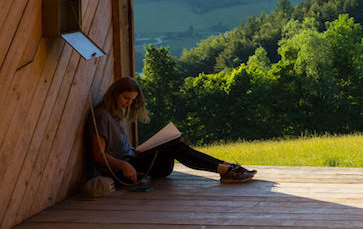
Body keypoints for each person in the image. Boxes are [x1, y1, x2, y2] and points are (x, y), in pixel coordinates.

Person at [88, 77, 256, 188]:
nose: (128, 103)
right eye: (126, 98)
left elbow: (120, 148)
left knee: (174, 143)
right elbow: (98, 155)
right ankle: (225, 170)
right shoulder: (102, 116)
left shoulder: (116, 114)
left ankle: (227, 167)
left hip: (135, 162)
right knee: (175, 148)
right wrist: (123, 165)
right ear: (114, 93)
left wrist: (138, 151)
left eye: (131, 100)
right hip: (123, 173)